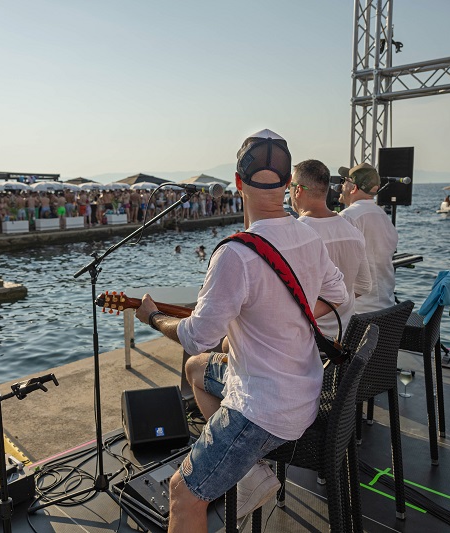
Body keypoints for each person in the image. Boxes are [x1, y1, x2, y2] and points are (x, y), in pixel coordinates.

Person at [134, 129, 330, 531]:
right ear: (288, 184)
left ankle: (244, 462)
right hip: (306, 389)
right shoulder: (309, 235)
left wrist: (153, 318)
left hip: (263, 409)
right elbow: (340, 293)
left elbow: (195, 337)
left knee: (182, 494)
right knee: (197, 371)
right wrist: (278, 315)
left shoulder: (235, 254)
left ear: (238, 183)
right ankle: (250, 471)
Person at [290, 159, 372, 338]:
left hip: (308, 341)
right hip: (344, 338)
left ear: (298, 190)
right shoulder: (354, 232)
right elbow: (365, 286)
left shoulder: (294, 235)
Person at [338, 162, 399, 313]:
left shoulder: (348, 216)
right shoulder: (383, 216)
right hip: (386, 308)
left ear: (354, 187)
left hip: (359, 312)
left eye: (344, 181)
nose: (341, 186)